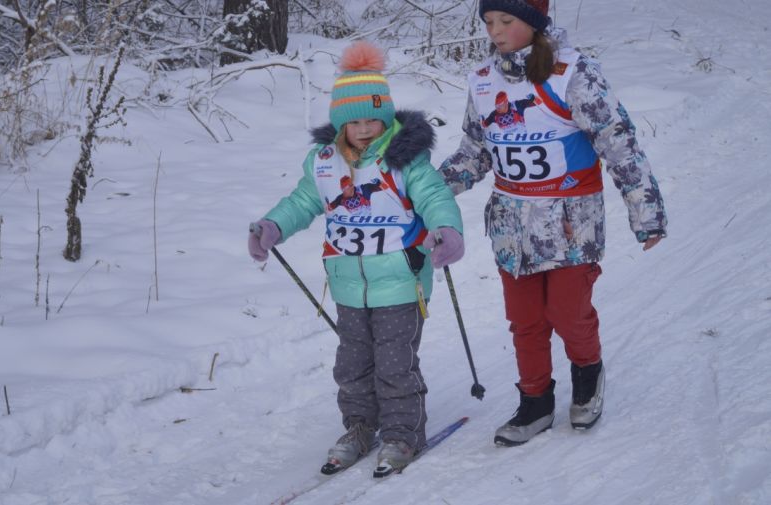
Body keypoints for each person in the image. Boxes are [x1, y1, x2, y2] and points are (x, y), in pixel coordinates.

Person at [439, 0, 667, 446]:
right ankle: (535, 402)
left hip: (570, 224)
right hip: (511, 226)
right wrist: (426, 193)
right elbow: (475, 152)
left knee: (567, 312)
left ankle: (588, 376)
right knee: (524, 320)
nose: (495, 31)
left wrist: (647, 212)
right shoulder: (484, 82)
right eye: (488, 22)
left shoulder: (573, 73)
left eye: (506, 21)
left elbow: (617, 142)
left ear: (536, 21)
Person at [248, 41, 465, 476]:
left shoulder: (406, 162)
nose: (365, 129)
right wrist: (272, 227)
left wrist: (448, 230)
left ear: (385, 119)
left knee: (394, 364)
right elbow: (302, 202)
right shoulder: (324, 163)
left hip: (401, 282)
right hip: (348, 284)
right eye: (355, 121)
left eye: (373, 119)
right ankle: (361, 426)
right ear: (340, 124)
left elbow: (436, 196)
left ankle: (403, 433)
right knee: (351, 364)